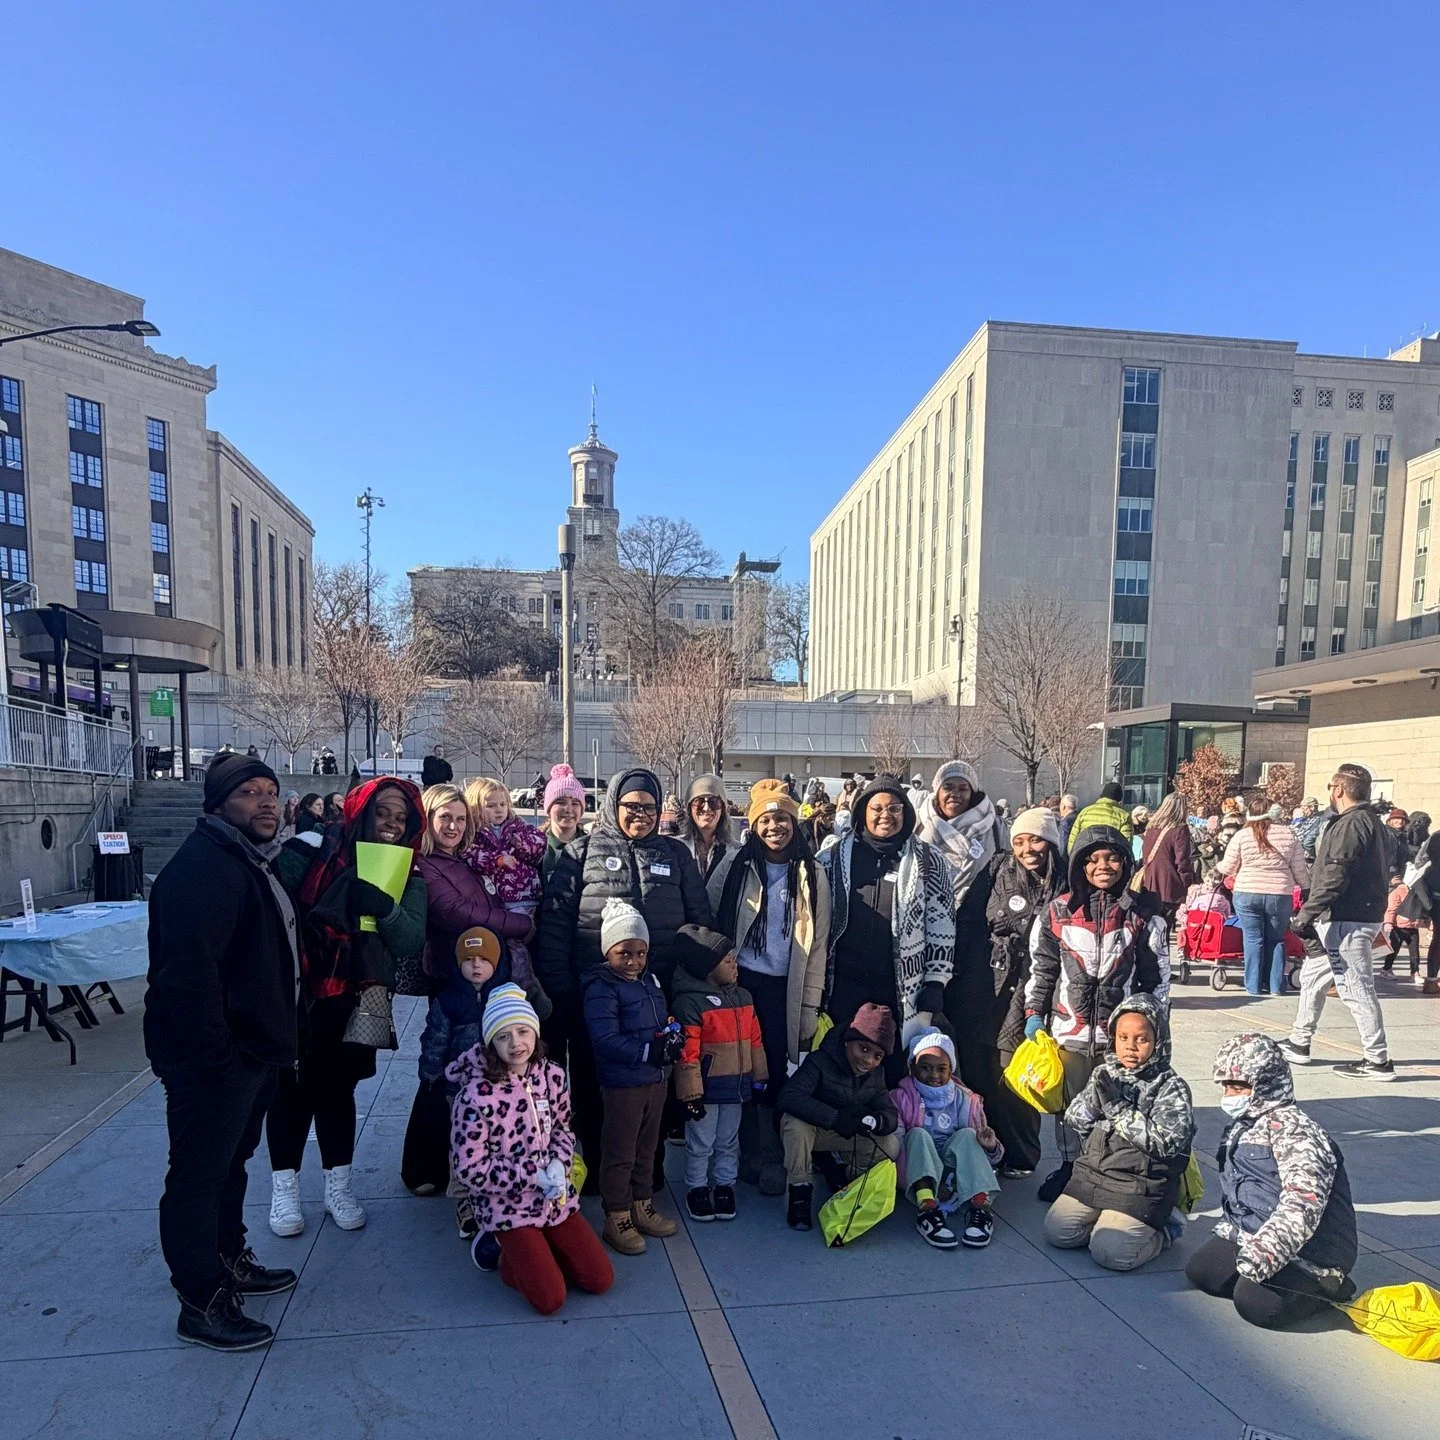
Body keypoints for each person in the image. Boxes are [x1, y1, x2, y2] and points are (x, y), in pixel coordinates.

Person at [145, 753, 300, 1351]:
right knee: (197, 1177)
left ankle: (228, 1255)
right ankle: (201, 1301)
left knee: (230, 1165)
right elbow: (185, 980)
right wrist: (219, 1060)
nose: (264, 802)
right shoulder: (205, 868)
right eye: (248, 793)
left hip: (250, 1051)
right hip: (215, 1060)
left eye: (270, 791)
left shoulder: (246, 859)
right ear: (217, 805)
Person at [266, 778, 427, 1238]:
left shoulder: (408, 870)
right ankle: (285, 1190)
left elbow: (411, 937)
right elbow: (274, 904)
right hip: (302, 991)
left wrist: (385, 910)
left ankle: (338, 1186)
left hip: (359, 995)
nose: (392, 824)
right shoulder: (311, 846)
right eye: (383, 813)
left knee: (338, 1092)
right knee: (292, 1090)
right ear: (361, 810)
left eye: (402, 817)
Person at [537, 766, 713, 1177]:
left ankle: (646, 1172)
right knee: (595, 1083)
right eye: (632, 806)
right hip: (597, 996)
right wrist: (563, 992)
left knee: (654, 1085)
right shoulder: (581, 852)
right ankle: (600, 1168)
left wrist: (690, 986)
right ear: (614, 805)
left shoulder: (675, 855)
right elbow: (555, 926)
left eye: (650, 807)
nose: (641, 814)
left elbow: (698, 922)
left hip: (657, 994)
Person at [409, 782, 545, 1206]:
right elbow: (458, 912)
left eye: (460, 818)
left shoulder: (461, 859)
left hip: (484, 974)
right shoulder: (427, 865)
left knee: (478, 1067)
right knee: (444, 1070)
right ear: (429, 819)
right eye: (445, 817)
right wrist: (519, 924)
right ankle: (424, 1164)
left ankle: (474, 1157)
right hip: (453, 977)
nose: (453, 825)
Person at [1023, 824, 1169, 1202]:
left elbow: (1156, 980)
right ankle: (1072, 1167)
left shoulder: (1142, 916)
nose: (1103, 866)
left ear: (1125, 862)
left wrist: (1156, 1028)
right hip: (1069, 1030)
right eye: (1093, 860)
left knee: (1117, 1105)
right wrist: (1034, 1013)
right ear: (1080, 867)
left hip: (1118, 1039)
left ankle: (1110, 1169)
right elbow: (1042, 970)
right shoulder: (1057, 912)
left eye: (1112, 858)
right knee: (1071, 1108)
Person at [448, 985, 614, 1315]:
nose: (516, 1044)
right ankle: (497, 1244)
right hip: (505, 1203)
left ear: (535, 1033)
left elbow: (565, 1129)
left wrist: (559, 1165)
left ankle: (539, 1247)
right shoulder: (475, 1096)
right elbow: (469, 1168)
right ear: (490, 1042)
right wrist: (531, 1176)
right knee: (550, 1299)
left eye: (523, 1032)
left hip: (553, 1195)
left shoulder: (551, 1075)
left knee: (599, 1280)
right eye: (503, 1036)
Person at [709, 778, 830, 1195]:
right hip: (741, 985)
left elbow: (817, 951)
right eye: (766, 818)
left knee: (776, 1071)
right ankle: (746, 1151)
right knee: (739, 1066)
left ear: (794, 823)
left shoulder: (813, 873)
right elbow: (710, 917)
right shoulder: (735, 864)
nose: (774, 825)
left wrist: (810, 1007)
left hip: (786, 990)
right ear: (754, 823)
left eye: (782, 817)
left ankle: (775, 1155)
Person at [1188, 1033, 1358, 1329]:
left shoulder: (1299, 1133)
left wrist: (1264, 1254)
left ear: (1265, 1083)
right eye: (1227, 1086)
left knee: (1257, 1305)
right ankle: (1267, 1270)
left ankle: (1328, 1287)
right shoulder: (1245, 1125)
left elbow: (1301, 1206)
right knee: (1204, 1273)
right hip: (1256, 1232)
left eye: (1239, 1086)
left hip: (1313, 1248)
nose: (1230, 1094)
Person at [947, 806, 1066, 1178]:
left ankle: (1020, 1154)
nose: (1028, 848)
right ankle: (986, 1146)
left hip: (1028, 985)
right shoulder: (998, 869)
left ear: (1050, 842)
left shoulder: (1063, 883)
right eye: (1020, 840)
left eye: (1036, 840)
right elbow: (967, 919)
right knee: (977, 1069)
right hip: (981, 982)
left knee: (1013, 1071)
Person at [1043, 994, 1194, 1272]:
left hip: (1141, 1183)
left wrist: (1117, 1108)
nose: (1131, 1047)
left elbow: (1167, 1145)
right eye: (1123, 1037)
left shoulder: (1171, 1087)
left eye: (1141, 1039)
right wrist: (1093, 1099)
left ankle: (1164, 1232)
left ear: (1158, 1040)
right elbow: (1075, 1119)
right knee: (1058, 1232)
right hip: (1097, 1173)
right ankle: (1111, 1218)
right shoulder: (1105, 1072)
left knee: (1110, 1254)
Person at [817, 775, 956, 1076]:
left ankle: (889, 1120)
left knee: (893, 1064)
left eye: (894, 808)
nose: (885, 816)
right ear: (862, 812)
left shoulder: (929, 860)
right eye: (876, 808)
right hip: (844, 981)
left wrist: (935, 980)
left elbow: (942, 921)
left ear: (906, 813)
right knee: (840, 1059)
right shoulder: (832, 857)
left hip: (900, 984)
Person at [1280, 764, 1394, 1080]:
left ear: (1339, 789)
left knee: (1356, 989)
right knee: (1313, 978)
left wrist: (1307, 912)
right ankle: (1299, 1042)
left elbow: (1335, 873)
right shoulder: (1374, 824)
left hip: (1349, 920)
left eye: (1331, 786)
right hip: (1351, 917)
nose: (1330, 791)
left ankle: (1377, 1060)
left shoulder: (1352, 824)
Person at [581, 899, 683, 1254]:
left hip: (655, 1079)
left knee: (648, 1147)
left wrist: (670, 1033)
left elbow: (657, 1019)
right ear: (608, 950)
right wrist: (646, 1051)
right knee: (620, 1151)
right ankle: (617, 1214)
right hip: (624, 1083)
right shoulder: (601, 988)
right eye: (624, 952)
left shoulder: (650, 980)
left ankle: (642, 1204)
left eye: (640, 953)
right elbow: (605, 1039)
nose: (633, 961)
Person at [671, 924, 768, 1223]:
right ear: (709, 968)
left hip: (736, 1086)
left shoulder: (745, 998)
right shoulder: (690, 1003)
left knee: (729, 1140)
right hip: (707, 1089)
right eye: (728, 961)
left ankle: (725, 1185)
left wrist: (759, 1076)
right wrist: (691, 1094)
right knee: (701, 1141)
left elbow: (755, 1041)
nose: (735, 965)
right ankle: (697, 1187)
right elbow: (687, 1054)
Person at [778, 1002, 901, 1231]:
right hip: (814, 1130)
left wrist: (875, 1120)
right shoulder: (820, 1061)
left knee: (889, 1145)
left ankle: (847, 1180)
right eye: (863, 1049)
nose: (868, 1060)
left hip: (842, 1134)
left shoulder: (876, 1075)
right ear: (847, 1042)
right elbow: (789, 1096)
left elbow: (890, 1112)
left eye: (877, 1056)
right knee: (795, 1126)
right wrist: (835, 1118)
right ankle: (800, 1192)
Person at [891, 1030, 1003, 1250]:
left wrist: (990, 1147)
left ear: (950, 1071)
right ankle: (927, 1209)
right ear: (912, 1068)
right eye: (925, 1067)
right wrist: (934, 1184)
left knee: (968, 1135)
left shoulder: (967, 1099)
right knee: (917, 1134)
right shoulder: (900, 1097)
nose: (934, 1075)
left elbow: (987, 1158)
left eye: (941, 1069)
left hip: (954, 1175)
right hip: (918, 1173)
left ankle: (980, 1208)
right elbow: (895, 1149)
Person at [1215, 790, 1310, 996]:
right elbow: (1299, 868)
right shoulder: (1288, 834)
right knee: (1276, 938)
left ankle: (1253, 986)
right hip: (1279, 893)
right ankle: (1276, 986)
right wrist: (1305, 888)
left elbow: (1228, 866)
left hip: (1247, 891)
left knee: (1253, 939)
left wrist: (1217, 868)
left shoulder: (1242, 835)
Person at [463, 777, 546, 975]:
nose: (499, 810)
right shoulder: (475, 834)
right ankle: (515, 978)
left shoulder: (518, 826)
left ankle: (522, 980)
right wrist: (497, 859)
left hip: (524, 896)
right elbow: (471, 856)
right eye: (490, 806)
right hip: (496, 900)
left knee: (516, 941)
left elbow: (539, 843)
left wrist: (522, 845)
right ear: (475, 808)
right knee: (507, 942)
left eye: (503, 804)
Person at [914, 760, 1006, 906]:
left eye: (963, 789)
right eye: (948, 788)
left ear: (972, 793)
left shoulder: (996, 827)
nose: (955, 794)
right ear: (937, 792)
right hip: (928, 915)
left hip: (979, 918)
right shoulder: (918, 823)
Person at [1139, 791, 1197, 926]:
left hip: (1149, 880)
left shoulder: (1152, 828)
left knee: (1150, 927)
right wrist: (1187, 881)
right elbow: (1182, 860)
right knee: (1164, 926)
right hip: (1170, 884)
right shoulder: (1180, 830)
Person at [678, 773, 737, 883]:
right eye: (699, 801)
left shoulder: (737, 851)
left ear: (723, 809)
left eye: (714, 802)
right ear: (689, 808)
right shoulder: (675, 848)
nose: (706, 808)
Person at [539, 763, 587, 888]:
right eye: (561, 802)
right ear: (549, 808)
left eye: (575, 803)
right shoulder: (533, 847)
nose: (568, 810)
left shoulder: (592, 848)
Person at [1382, 871, 1421, 977]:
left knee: (1415, 952)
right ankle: (1386, 969)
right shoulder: (1398, 892)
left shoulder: (1418, 891)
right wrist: (1388, 922)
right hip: (1398, 927)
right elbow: (1391, 909)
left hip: (1413, 926)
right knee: (1394, 950)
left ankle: (1415, 972)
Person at [1071, 782, 1132, 846]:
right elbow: (1126, 843)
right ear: (1119, 799)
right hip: (1110, 853)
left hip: (1086, 852)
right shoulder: (1123, 816)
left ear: (1102, 795)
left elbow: (1073, 839)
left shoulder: (1085, 812)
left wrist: (1073, 854)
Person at [1291, 797, 1325, 862]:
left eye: (1303, 808)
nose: (1302, 811)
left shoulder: (1318, 820)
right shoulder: (1307, 818)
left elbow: (1308, 841)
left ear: (1312, 807)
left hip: (1310, 858)